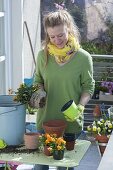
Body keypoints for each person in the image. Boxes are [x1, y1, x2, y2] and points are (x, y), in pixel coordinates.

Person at [30, 9, 95, 170]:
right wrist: (40, 92)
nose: (57, 40)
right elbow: (37, 80)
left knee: (65, 167)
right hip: (45, 120)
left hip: (69, 124)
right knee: (40, 167)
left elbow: (88, 86)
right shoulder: (42, 56)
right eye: (52, 37)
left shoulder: (83, 58)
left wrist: (81, 106)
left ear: (69, 30)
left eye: (60, 35)